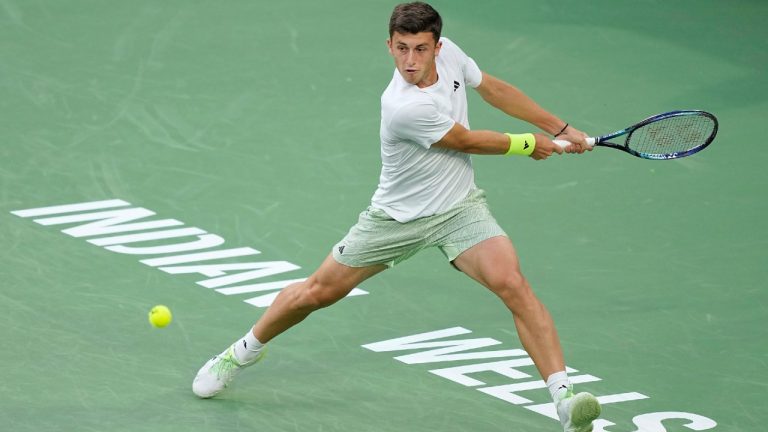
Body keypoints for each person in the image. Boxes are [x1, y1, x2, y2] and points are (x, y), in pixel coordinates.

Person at [193, 2, 600, 431]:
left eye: (421, 49)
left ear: (437, 46)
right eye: (402, 48)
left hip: (460, 208)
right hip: (395, 220)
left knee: (513, 285)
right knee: (317, 293)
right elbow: (462, 140)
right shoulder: (403, 106)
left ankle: (564, 400)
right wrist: (525, 143)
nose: (410, 61)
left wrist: (558, 126)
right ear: (389, 45)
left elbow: (493, 89)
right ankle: (241, 352)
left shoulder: (453, 56)